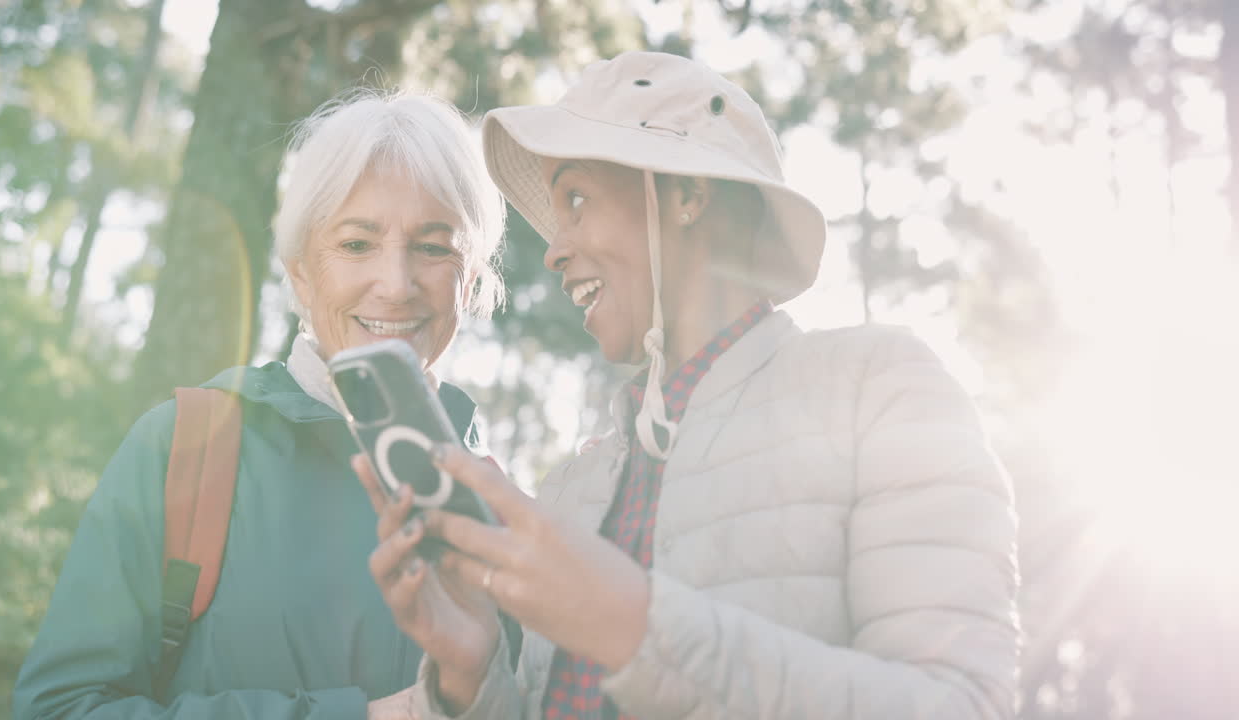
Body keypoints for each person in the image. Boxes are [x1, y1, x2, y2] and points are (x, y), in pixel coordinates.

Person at [359, 51, 1019, 720]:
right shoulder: (568, 488)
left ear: (686, 194)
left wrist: (634, 626)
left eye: (577, 200)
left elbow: (957, 706)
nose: (554, 249)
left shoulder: (880, 390)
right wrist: (472, 677)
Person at [13, 90, 507, 720]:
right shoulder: (185, 446)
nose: (396, 283)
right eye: (357, 245)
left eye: (435, 247)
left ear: (469, 280)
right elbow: (56, 709)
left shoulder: (501, 504)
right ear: (301, 272)